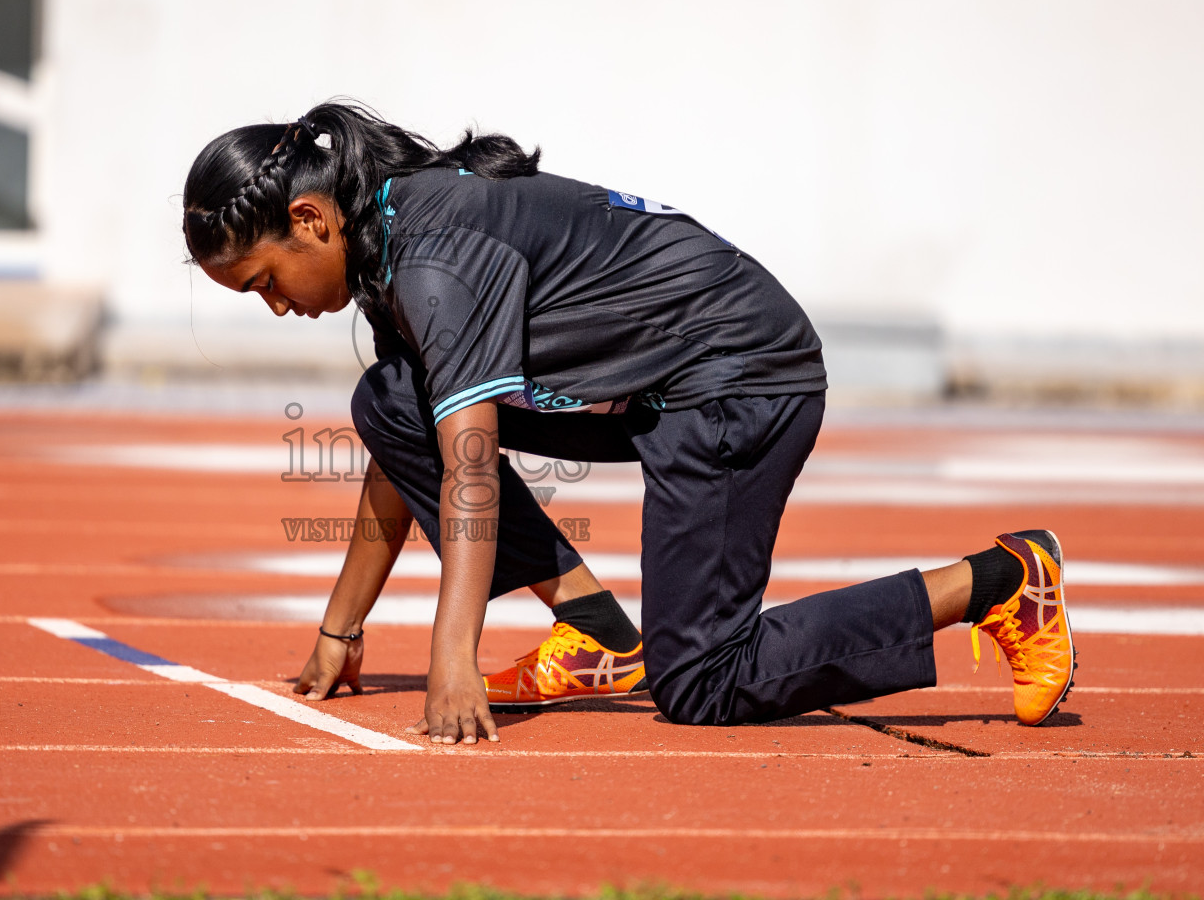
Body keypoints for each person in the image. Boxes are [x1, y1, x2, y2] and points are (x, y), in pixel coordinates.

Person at [180, 101, 1075, 745]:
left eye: (263, 282)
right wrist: (341, 628)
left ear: (309, 219)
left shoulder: (435, 259)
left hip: (739, 379)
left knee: (702, 684)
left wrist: (452, 653)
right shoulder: (382, 234)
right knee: (390, 399)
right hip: (657, 385)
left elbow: (472, 468)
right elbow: (401, 437)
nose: (274, 307)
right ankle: (598, 633)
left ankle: (1001, 581)